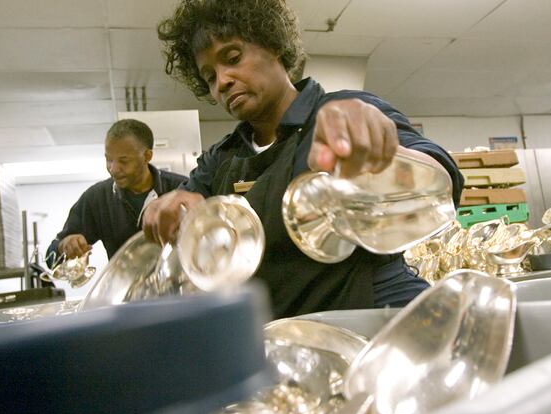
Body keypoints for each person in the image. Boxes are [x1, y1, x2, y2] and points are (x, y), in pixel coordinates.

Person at [145, 0, 463, 318]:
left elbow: (440, 186)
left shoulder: (344, 111)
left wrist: (382, 154)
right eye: (209, 77)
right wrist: (175, 210)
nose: (223, 81)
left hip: (373, 317)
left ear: (275, 48)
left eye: (233, 58)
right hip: (284, 339)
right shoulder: (221, 160)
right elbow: (188, 219)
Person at [46, 119, 188, 266]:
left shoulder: (181, 189)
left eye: (124, 161)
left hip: (180, 286)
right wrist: (64, 246)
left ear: (147, 156)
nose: (113, 168)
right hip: (125, 287)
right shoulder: (97, 198)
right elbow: (51, 259)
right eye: (109, 159)